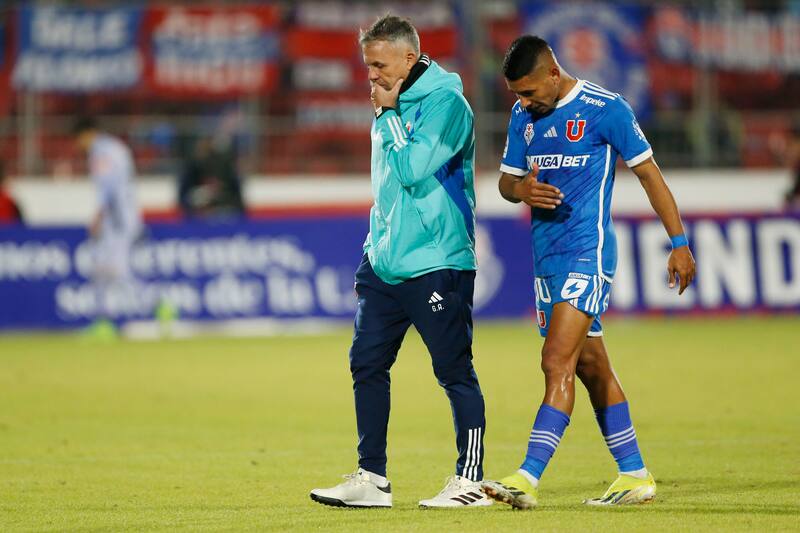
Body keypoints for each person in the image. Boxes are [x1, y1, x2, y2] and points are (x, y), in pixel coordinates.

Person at [480, 36, 696, 509]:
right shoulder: (524, 118)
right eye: (517, 94)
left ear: (554, 73)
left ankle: (526, 478)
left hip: (588, 254)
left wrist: (679, 244)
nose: (524, 102)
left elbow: (649, 174)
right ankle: (634, 475)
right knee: (592, 368)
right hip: (547, 262)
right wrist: (522, 192)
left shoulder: (606, 109)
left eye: (531, 91)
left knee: (555, 361)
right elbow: (504, 182)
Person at [309, 15, 490, 509]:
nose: (372, 76)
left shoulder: (447, 103)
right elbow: (386, 185)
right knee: (365, 363)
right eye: (367, 66)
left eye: (380, 65)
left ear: (410, 59)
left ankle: (469, 481)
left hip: (437, 262)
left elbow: (412, 169)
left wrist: (388, 115)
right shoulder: (389, 100)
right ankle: (372, 478)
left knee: (453, 371)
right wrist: (376, 246)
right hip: (386, 265)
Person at [73, 117, 143, 338]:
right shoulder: (117, 147)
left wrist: (98, 217)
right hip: (127, 216)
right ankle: (104, 321)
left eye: (78, 140)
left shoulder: (101, 152)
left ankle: (158, 307)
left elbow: (107, 188)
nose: (78, 146)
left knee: (115, 272)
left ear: (86, 134)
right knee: (104, 271)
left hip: (116, 221)